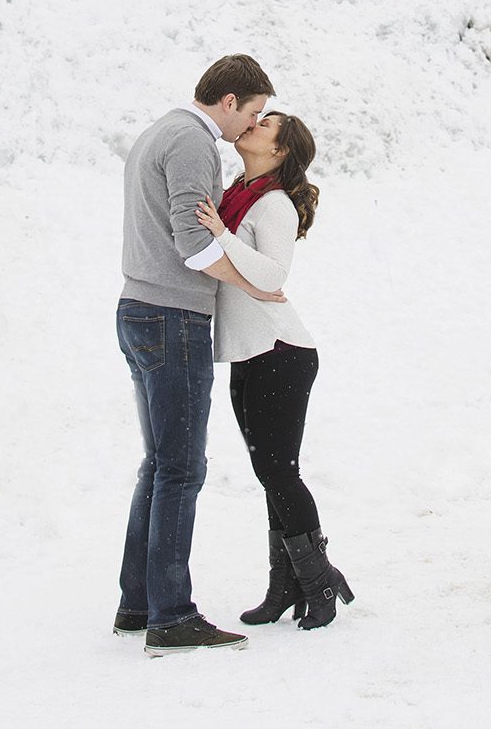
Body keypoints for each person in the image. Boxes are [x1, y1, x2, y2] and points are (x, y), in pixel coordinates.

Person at [114, 54, 287, 657]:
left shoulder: (162, 129)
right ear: (231, 101)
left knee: (159, 465)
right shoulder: (192, 142)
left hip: (139, 310)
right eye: (256, 112)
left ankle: (139, 603)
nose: (254, 124)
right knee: (181, 469)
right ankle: (170, 616)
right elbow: (192, 247)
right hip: (171, 318)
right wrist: (255, 285)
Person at [195, 110, 354, 631]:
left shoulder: (273, 205)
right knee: (270, 474)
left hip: (281, 350)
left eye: (266, 126)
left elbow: (272, 273)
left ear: (280, 151)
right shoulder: (238, 194)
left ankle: (319, 582)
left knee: (281, 472)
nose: (254, 125)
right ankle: (284, 587)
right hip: (250, 351)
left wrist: (221, 233)